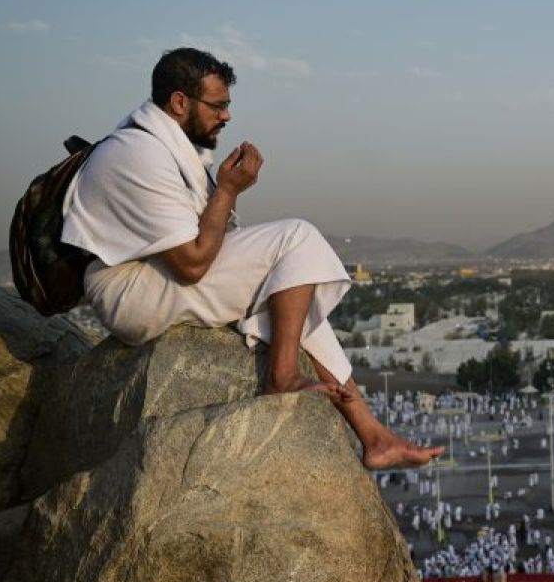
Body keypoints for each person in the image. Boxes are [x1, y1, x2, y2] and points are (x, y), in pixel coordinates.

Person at [62, 48, 442, 470]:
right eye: (218, 105)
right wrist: (227, 191)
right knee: (297, 239)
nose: (226, 116)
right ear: (179, 102)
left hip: (151, 277)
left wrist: (225, 194)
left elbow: (205, 244)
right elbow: (191, 263)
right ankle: (282, 378)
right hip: (128, 291)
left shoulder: (164, 147)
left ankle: (373, 437)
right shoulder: (137, 155)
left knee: (290, 286)